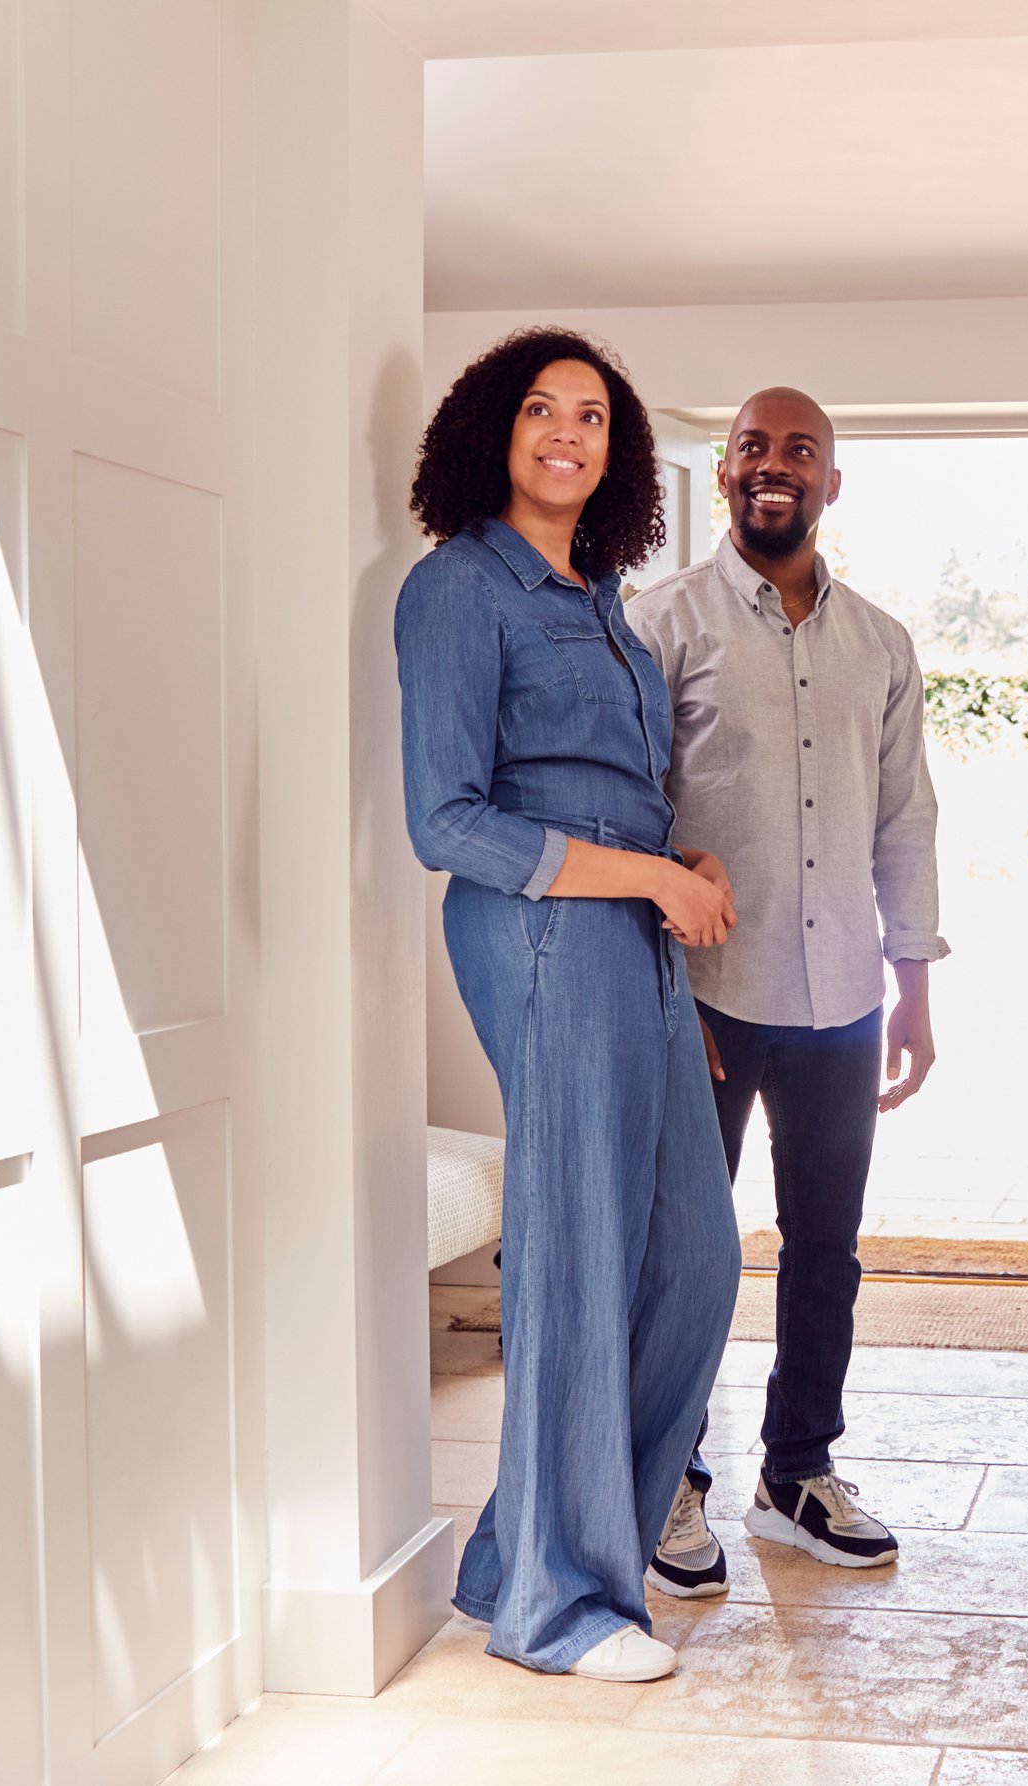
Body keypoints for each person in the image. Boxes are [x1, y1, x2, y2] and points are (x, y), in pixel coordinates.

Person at [394, 327, 743, 1684]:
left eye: (591, 417)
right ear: (493, 429)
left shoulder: (600, 596)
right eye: (541, 410)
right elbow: (449, 819)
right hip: (540, 933)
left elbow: (624, 786)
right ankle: (562, 1604)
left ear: (619, 451)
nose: (566, 434)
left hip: (637, 943)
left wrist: (680, 866)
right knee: (574, 1256)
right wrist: (648, 873)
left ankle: (512, 1559)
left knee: (696, 1261)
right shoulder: (458, 587)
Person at [625, 386, 946, 1596]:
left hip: (842, 1000)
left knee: (828, 1251)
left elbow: (906, 822)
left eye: (798, 450)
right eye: (753, 447)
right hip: (702, 1000)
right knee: (686, 1254)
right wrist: (666, 984)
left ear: (830, 481)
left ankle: (796, 1474)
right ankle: (670, 1479)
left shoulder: (883, 646)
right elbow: (631, 815)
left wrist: (913, 987)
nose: (775, 466)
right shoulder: (662, 624)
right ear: (722, 476)